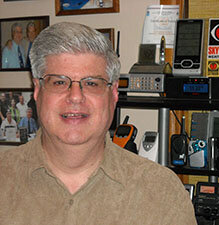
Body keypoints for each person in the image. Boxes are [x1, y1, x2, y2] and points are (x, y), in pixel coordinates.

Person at [0, 22, 197, 224]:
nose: (75, 97)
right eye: (59, 82)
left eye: (91, 83)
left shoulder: (161, 192)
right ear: (37, 90)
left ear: (113, 94)